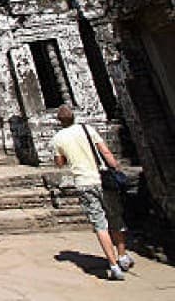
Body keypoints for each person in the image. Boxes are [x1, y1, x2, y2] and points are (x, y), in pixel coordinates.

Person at [51, 104, 133, 280]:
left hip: (84, 183)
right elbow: (105, 152)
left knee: (99, 224)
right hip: (103, 180)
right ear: (74, 117)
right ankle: (123, 256)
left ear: (59, 121)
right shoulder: (87, 129)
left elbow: (59, 163)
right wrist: (116, 169)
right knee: (115, 218)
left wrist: (64, 156)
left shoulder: (58, 138)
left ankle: (113, 265)